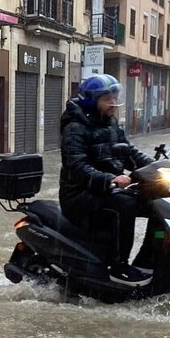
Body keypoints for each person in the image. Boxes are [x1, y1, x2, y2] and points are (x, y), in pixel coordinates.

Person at [58, 74, 155, 287]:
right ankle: (117, 266)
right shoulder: (75, 128)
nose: (113, 102)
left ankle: (152, 259)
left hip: (105, 190)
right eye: (107, 98)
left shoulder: (110, 124)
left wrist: (156, 166)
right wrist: (111, 179)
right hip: (79, 195)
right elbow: (77, 167)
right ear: (92, 101)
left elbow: (130, 152)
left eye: (114, 97)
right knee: (125, 205)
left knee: (155, 202)